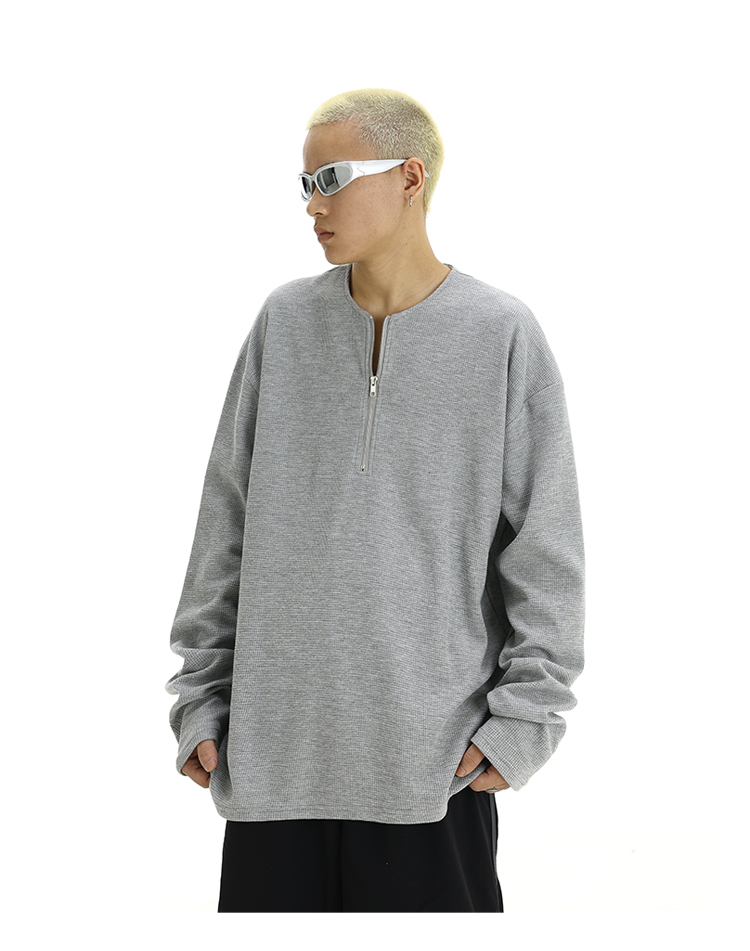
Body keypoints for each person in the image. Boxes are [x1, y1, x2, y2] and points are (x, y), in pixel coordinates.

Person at [164, 88, 585, 913]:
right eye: (304, 184)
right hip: (271, 768)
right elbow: (225, 523)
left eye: (331, 178)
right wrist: (200, 698)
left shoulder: (501, 334)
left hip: (431, 772)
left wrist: (523, 725)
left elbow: (547, 552)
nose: (312, 204)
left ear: (410, 177)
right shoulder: (284, 323)